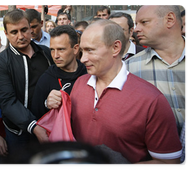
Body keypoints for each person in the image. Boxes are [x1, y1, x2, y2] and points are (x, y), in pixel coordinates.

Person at [70, 19, 182, 164]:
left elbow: (169, 163)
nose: (83, 59)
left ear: (115, 47)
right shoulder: (79, 84)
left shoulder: (151, 100)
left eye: (90, 50)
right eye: (82, 51)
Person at [0, 9, 54, 163]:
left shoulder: (46, 53)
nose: (20, 36)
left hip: (48, 125)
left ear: (30, 28)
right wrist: (34, 126)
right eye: (14, 32)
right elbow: (7, 102)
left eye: (24, 30)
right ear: (6, 33)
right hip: (17, 132)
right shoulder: (1, 62)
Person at [125, 3, 186, 135]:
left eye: (144, 22)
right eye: (136, 24)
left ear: (169, 20)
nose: (136, 29)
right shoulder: (129, 67)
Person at [31, 25, 87, 120]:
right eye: (52, 49)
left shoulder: (89, 75)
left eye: (61, 49)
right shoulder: (46, 79)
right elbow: (36, 115)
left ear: (75, 49)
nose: (55, 55)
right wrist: (46, 104)